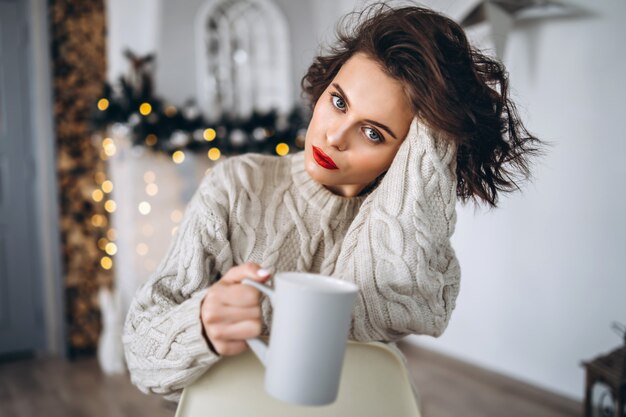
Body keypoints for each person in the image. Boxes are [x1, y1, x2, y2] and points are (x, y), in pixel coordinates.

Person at [122, 3, 541, 401]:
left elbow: (395, 309)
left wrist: (441, 123)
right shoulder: (237, 184)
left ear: (411, 153)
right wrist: (201, 324)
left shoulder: (407, 234)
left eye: (373, 133)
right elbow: (140, 358)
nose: (336, 136)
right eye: (338, 101)